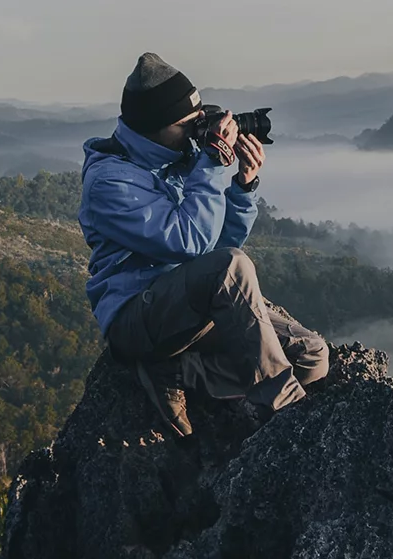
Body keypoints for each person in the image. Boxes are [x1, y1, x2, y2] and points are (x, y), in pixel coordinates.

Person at [80, 52, 329, 438]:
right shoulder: (110, 183)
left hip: (189, 309)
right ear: (154, 127)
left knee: (312, 356)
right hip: (137, 318)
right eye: (189, 125)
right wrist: (211, 163)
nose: (198, 132)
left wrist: (243, 187)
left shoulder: (178, 159)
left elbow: (217, 248)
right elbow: (192, 244)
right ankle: (285, 415)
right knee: (233, 266)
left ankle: (181, 371)